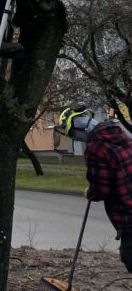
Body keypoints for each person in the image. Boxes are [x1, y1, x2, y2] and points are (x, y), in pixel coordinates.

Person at [58, 104, 132, 273]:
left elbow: (101, 189)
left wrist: (91, 192)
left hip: (128, 213)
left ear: (79, 129)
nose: (75, 139)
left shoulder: (96, 147)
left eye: (72, 134)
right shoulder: (121, 135)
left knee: (130, 256)